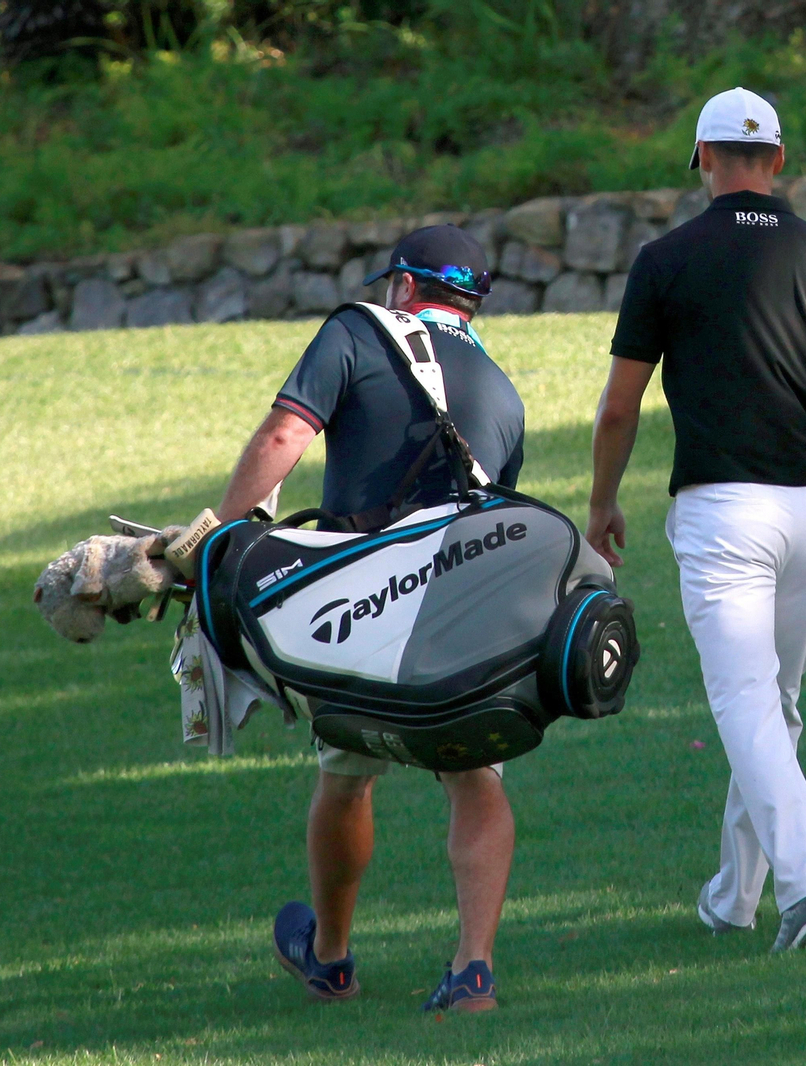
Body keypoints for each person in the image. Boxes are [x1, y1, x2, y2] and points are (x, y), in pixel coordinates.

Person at [585, 87, 806, 953]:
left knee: (746, 704)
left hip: (723, 513)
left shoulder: (663, 260)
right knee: (773, 703)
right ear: (777, 161)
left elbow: (619, 409)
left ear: (702, 157)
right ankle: (735, 897)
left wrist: (600, 503)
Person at [217, 225, 524, 1012]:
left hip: (366, 611)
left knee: (347, 777)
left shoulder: (358, 329)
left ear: (403, 286)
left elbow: (286, 433)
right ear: (472, 302)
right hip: (471, 614)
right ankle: (473, 972)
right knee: (474, 777)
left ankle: (331, 957)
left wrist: (220, 539)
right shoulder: (502, 391)